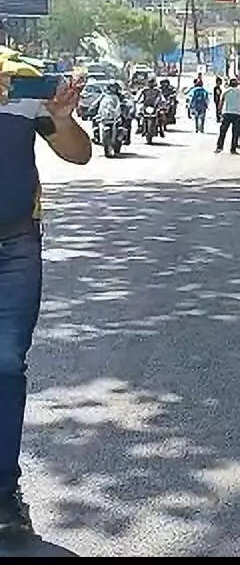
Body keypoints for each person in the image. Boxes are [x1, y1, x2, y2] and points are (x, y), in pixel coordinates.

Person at [0, 72, 91, 543]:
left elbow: (78, 153)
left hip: (14, 247)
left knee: (6, 363)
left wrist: (61, 117)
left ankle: (2, 493)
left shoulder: (19, 84)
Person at [215, 78, 240, 154]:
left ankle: (219, 147)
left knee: (223, 131)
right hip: (237, 114)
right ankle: (233, 149)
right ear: (237, 84)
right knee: (235, 133)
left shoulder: (226, 91)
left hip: (227, 113)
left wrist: (219, 111)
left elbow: (221, 101)